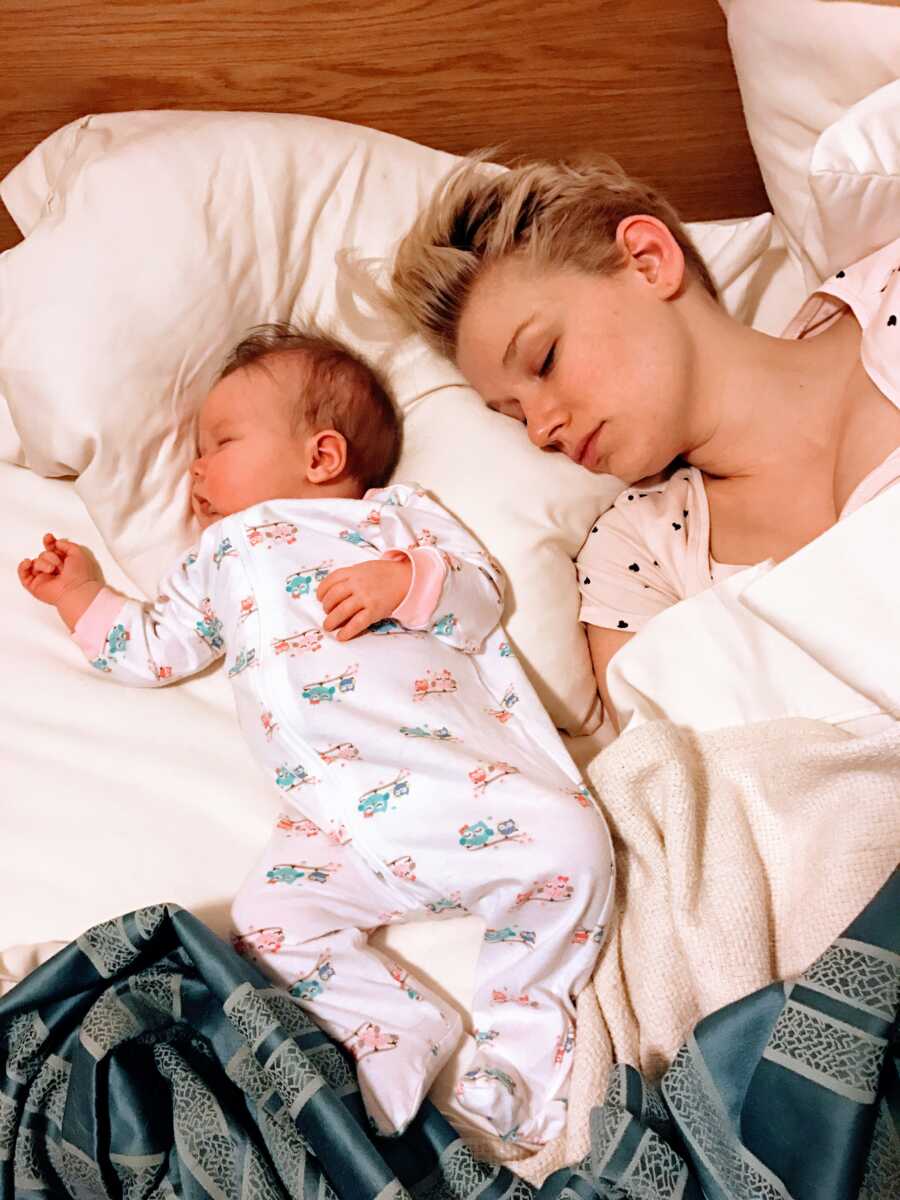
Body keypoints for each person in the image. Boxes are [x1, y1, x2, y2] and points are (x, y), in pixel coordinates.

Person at [17, 323, 614, 1148]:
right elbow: (154, 648)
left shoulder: (391, 520)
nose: (194, 469)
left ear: (322, 456)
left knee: (573, 847)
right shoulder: (214, 558)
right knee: (265, 922)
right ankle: (395, 1028)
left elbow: (477, 601)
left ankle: (516, 1066)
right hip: (332, 824)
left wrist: (404, 581)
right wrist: (81, 595)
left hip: (446, 782)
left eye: (219, 442)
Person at [390, 156, 900, 732]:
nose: (538, 430)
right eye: (513, 415)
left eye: (544, 360)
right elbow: (683, 783)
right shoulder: (635, 564)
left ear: (647, 261)